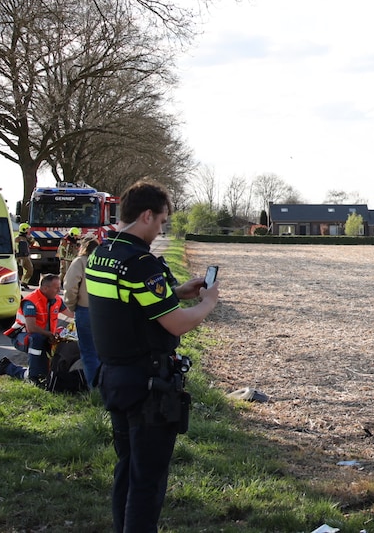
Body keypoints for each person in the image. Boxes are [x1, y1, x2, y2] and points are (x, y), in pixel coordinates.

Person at [86, 179, 219, 532]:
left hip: (114, 377)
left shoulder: (102, 254)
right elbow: (175, 324)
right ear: (146, 215)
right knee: (148, 482)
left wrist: (175, 291)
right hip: (148, 386)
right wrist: (206, 304)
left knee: (127, 471)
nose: (161, 230)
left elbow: (127, 304)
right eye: (161, 222)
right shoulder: (140, 263)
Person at [0, 274, 70, 385]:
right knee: (36, 339)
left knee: (45, 372)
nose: (59, 290)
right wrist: (50, 334)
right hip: (23, 337)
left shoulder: (56, 300)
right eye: (56, 287)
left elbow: (72, 313)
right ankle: (32, 377)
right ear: (45, 288)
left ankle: (8, 368)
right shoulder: (31, 301)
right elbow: (31, 328)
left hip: (44, 337)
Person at [63, 236, 100, 388]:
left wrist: (72, 306)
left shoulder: (80, 262)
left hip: (85, 310)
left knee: (89, 352)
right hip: (105, 312)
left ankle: (94, 388)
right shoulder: (102, 263)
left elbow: (70, 286)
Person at [15, 222, 35, 289]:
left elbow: (33, 242)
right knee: (19, 271)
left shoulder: (27, 238)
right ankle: (18, 284)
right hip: (20, 257)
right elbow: (15, 248)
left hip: (26, 257)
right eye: (27, 229)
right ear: (23, 229)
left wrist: (30, 237)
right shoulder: (17, 238)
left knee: (30, 270)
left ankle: (24, 282)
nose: (29, 230)